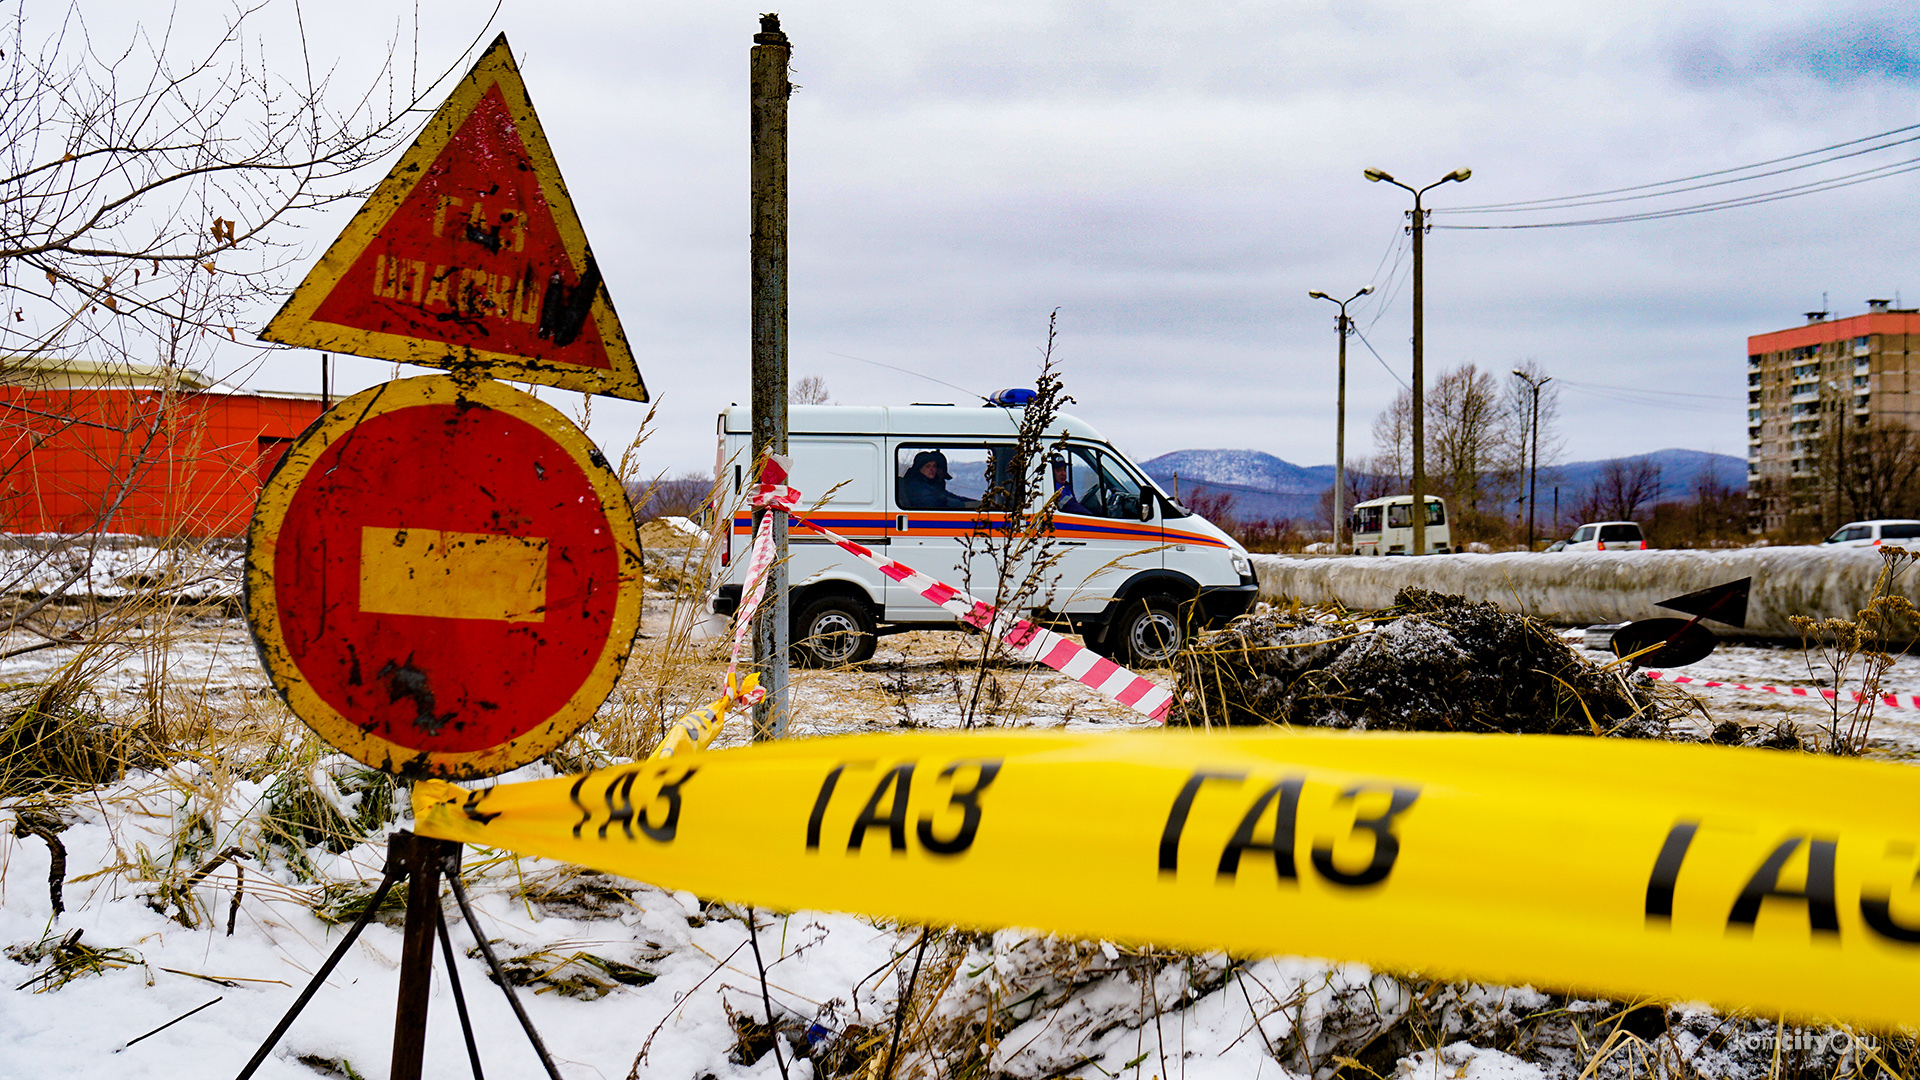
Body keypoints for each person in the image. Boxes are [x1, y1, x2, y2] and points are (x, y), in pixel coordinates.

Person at [898, 450, 975, 509]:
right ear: (919, 468)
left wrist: (973, 502)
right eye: (928, 466)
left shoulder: (929, 484)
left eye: (934, 466)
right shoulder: (916, 486)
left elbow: (947, 495)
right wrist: (963, 505)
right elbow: (935, 501)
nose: (932, 469)